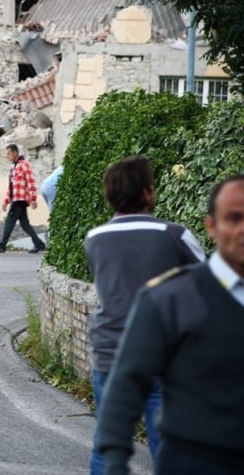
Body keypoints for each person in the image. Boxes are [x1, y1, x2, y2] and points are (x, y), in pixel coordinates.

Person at [95, 174, 244, 474]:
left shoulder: (96, 237)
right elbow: (126, 384)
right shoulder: (168, 299)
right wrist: (114, 461)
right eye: (234, 218)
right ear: (211, 226)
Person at [84, 155, 206, 475]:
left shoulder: (94, 239)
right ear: (146, 193)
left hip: (111, 354)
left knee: (107, 446)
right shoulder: (174, 235)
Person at [0, 144, 47, 253]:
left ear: (15, 153)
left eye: (9, 153)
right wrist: (6, 201)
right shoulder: (13, 167)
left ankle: (2, 245)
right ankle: (39, 244)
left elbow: (30, 181)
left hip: (20, 199)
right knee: (25, 224)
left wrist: (33, 199)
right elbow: (11, 186)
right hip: (15, 199)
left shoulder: (24, 164)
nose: (7, 156)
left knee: (9, 221)